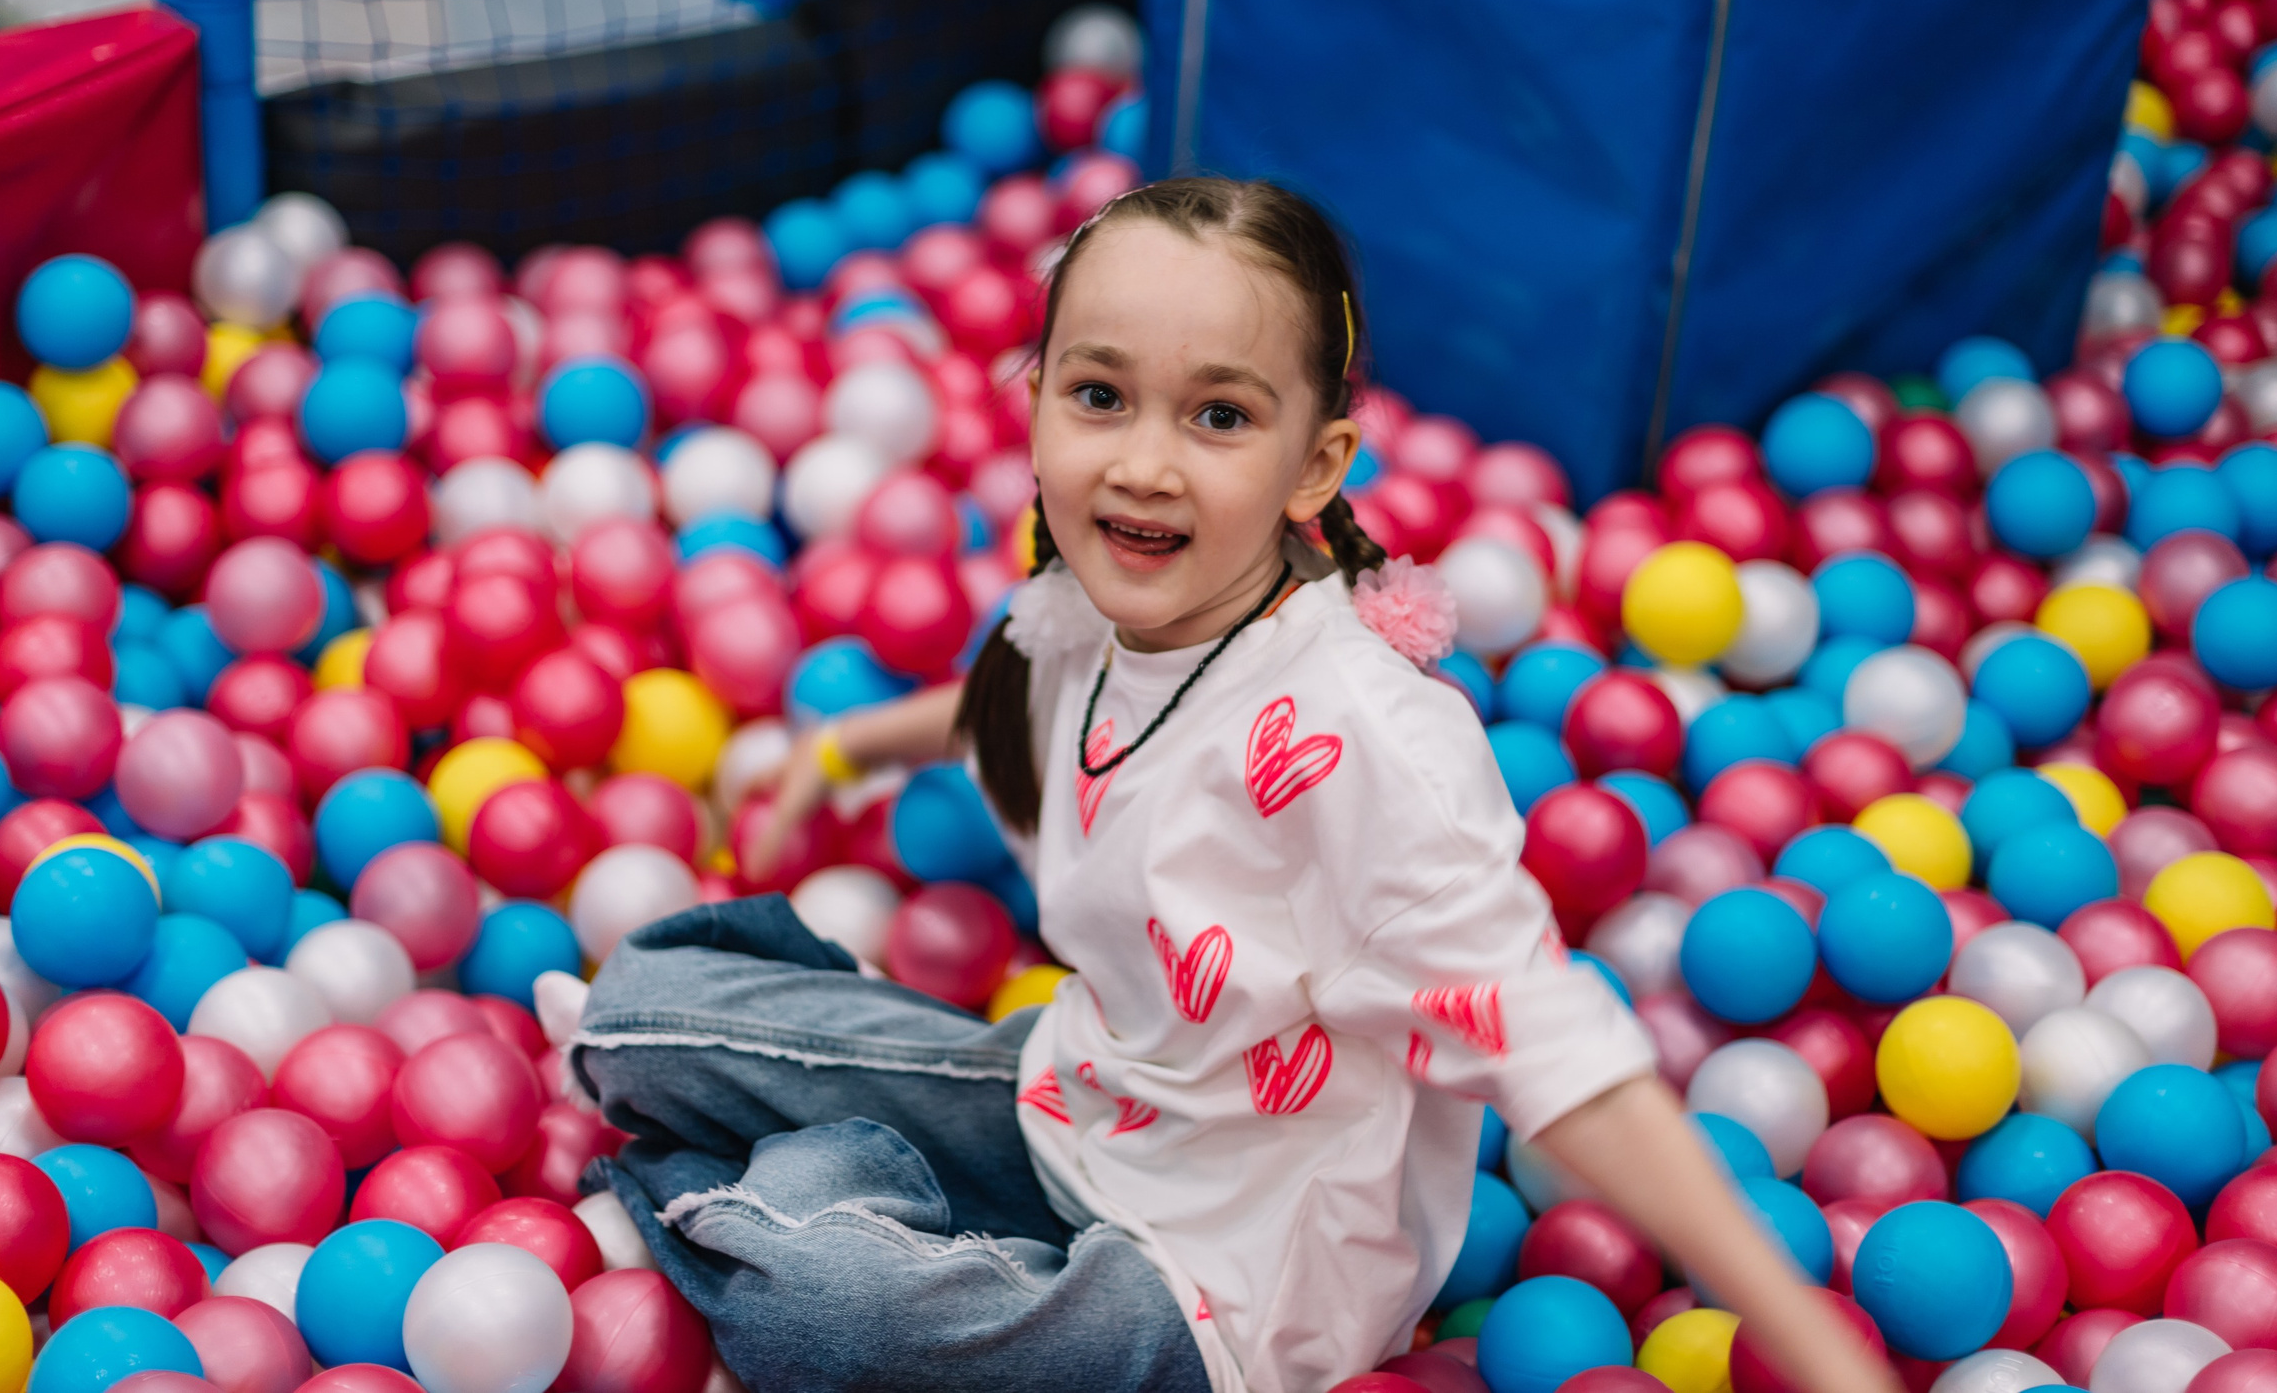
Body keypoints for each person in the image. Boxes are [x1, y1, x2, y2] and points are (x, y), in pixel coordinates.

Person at [572, 177, 1898, 1393]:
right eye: (1099, 396)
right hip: (1071, 1100)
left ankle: (768, 1209)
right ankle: (823, 1188)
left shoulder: (1363, 744)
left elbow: (1563, 1058)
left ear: (1315, 462)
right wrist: (842, 751)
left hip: (1242, 1279)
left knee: (828, 1314)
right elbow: (1006, 697)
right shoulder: (1098, 614)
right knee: (632, 1008)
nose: (1146, 463)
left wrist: (1807, 1340)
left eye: (1219, 415)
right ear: (1034, 403)